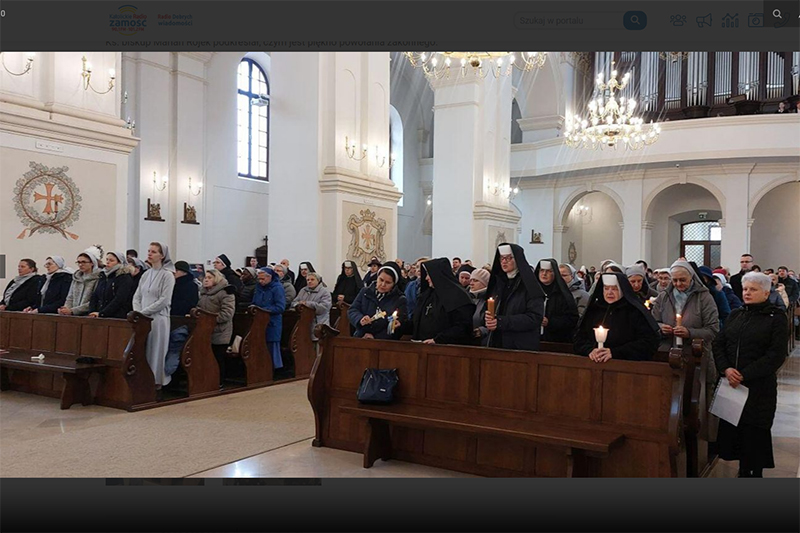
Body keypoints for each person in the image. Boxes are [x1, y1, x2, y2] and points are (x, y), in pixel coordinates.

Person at [712, 272, 788, 477]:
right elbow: (719, 343)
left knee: (755, 431)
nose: (747, 293)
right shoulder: (736, 314)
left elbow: (775, 355)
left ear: (765, 292)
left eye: (752, 289)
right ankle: (743, 470)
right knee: (735, 430)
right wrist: (726, 369)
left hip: (758, 387)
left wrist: (744, 375)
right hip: (732, 383)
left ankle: (755, 472)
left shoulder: (776, 318)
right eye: (745, 289)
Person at [573, 272, 661, 362]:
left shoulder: (634, 311)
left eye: (614, 289)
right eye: (606, 288)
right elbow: (579, 338)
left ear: (622, 290)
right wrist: (590, 350)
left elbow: (649, 343)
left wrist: (614, 352)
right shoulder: (594, 310)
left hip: (625, 367)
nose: (609, 292)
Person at [133, 242, 176, 389]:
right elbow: (137, 296)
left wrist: (143, 313)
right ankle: (142, 381)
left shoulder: (168, 275)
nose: (150, 254)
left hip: (158, 319)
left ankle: (155, 383)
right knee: (143, 350)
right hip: (143, 319)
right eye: (149, 251)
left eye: (154, 252)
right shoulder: (146, 274)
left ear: (162, 255)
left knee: (156, 351)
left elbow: (164, 300)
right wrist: (138, 312)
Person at [485, 244, 544, 351]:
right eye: (502, 258)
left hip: (520, 346)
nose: (504, 261)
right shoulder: (499, 283)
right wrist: (489, 317)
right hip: (497, 342)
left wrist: (501, 322)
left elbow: (535, 318)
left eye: (508, 258)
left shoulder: (529, 285)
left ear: (518, 260)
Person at [411, 258, 474, 345]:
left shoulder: (459, 296)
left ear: (437, 275)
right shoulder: (427, 294)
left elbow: (462, 327)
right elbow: (417, 320)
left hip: (447, 350)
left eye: (429, 275)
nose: (426, 278)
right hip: (423, 347)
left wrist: (438, 340)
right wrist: (401, 325)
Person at [347, 262, 407, 340]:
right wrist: (360, 319)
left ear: (394, 284)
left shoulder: (400, 299)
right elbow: (353, 310)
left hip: (384, 343)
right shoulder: (365, 292)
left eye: (388, 282)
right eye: (381, 280)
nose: (383, 285)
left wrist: (376, 337)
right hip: (361, 336)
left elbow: (396, 326)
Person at [198, 270, 236, 387]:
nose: (206, 279)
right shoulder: (203, 293)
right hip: (206, 330)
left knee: (217, 357)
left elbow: (227, 313)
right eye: (205, 277)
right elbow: (199, 307)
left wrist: (210, 321)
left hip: (220, 331)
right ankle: (207, 380)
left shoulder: (226, 292)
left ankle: (219, 382)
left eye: (209, 277)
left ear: (216, 279)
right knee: (206, 357)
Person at [534, 258, 579, 343]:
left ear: (555, 274)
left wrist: (550, 322)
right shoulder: (531, 293)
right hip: (533, 339)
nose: (544, 274)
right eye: (542, 270)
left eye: (549, 271)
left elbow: (572, 319)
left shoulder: (563, 294)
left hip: (556, 340)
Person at [252, 267, 286, 371]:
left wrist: (263, 310)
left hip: (272, 322)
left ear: (270, 277)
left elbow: (280, 307)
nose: (261, 281)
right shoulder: (258, 287)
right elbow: (254, 301)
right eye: (259, 279)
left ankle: (274, 369)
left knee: (272, 347)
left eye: (263, 279)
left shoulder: (277, 288)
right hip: (259, 322)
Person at [89, 252, 136, 318]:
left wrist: (103, 313)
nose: (108, 262)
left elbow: (119, 299)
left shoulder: (124, 277)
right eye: (107, 259)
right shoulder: (104, 276)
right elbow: (95, 295)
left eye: (111, 260)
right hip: (100, 315)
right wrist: (92, 311)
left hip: (117, 316)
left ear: (119, 262)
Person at [292, 271, 332, 341]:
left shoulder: (324, 292)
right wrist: (298, 304)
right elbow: (294, 302)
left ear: (318, 281)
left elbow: (324, 307)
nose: (309, 281)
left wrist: (308, 304)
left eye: (312, 279)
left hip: (318, 323)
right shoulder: (303, 291)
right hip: (304, 324)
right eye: (308, 280)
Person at [59, 252, 100, 316]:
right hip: (72, 314)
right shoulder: (76, 277)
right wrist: (66, 309)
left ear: (92, 263)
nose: (80, 265)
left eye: (84, 262)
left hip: (88, 315)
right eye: (79, 262)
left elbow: (94, 301)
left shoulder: (98, 278)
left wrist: (73, 310)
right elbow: (70, 296)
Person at [468, 268, 491, 346]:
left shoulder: (489, 300)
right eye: (471, 280)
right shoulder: (467, 297)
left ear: (485, 283)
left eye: (475, 280)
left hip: (482, 343)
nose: (471, 283)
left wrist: (481, 331)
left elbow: (493, 322)